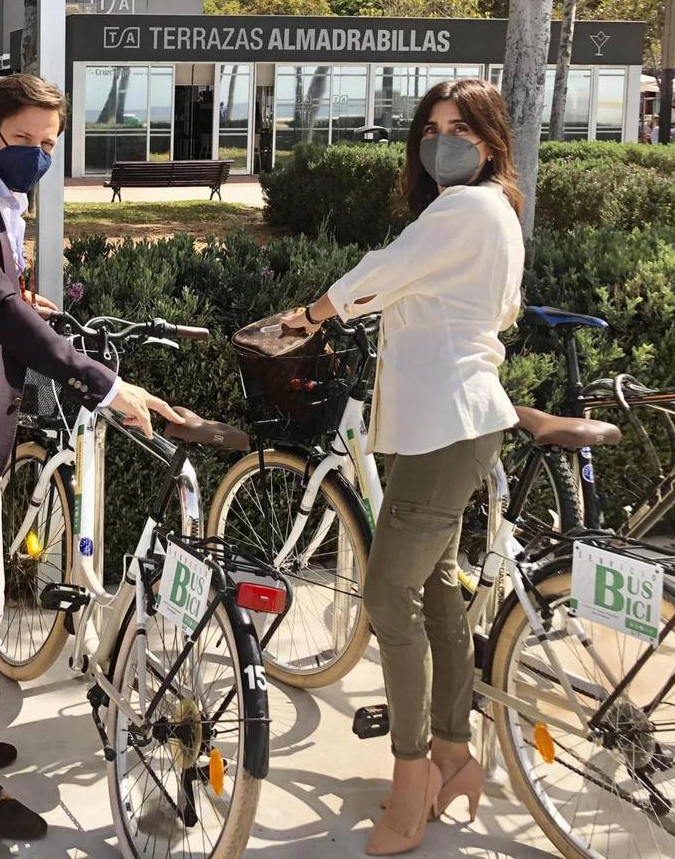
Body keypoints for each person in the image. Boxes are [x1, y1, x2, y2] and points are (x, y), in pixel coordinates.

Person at [0, 73, 183, 840]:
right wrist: (102, 381)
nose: (38, 156)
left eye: (50, 144)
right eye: (26, 141)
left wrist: (24, 301)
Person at [280, 79, 524, 856]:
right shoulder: (499, 214)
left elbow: (382, 268)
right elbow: (469, 302)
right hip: (459, 420)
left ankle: (412, 776)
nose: (439, 139)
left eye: (458, 128)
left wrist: (314, 312)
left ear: (488, 142)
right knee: (436, 589)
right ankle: (455, 753)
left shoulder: (464, 208)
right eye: (430, 127)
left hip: (446, 426)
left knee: (389, 593)